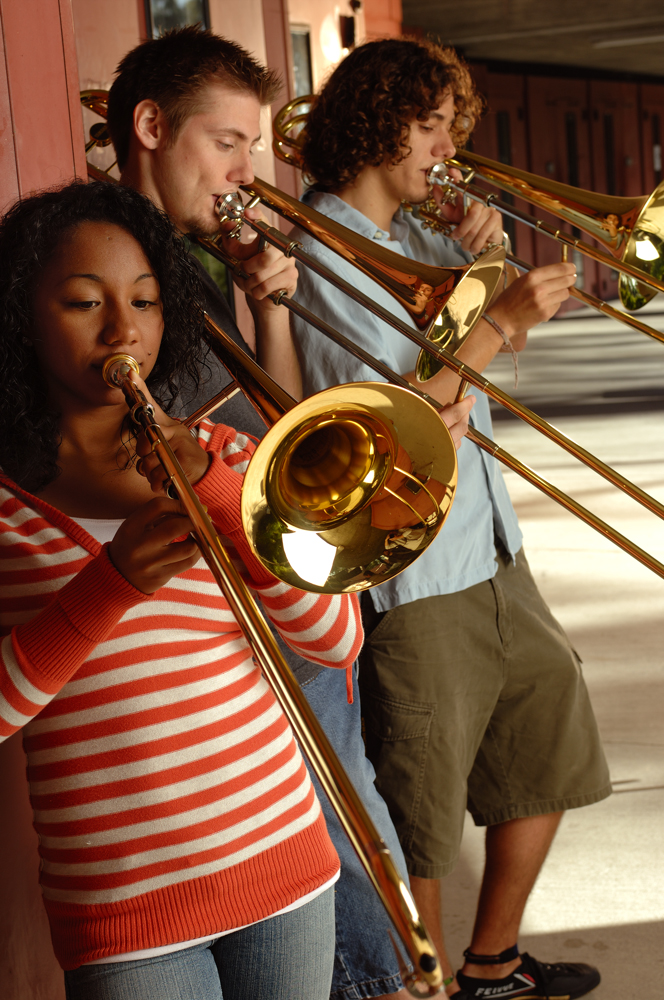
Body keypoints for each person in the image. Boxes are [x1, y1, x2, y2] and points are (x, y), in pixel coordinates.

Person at [104, 28, 473, 999]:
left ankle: (396, 976)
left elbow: (281, 427)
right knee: (333, 820)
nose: (245, 169)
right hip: (192, 625)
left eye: (254, 145)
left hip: (264, 579)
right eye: (227, 142)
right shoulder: (109, 270)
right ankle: (394, 980)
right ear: (150, 127)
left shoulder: (192, 258)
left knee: (339, 813)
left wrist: (267, 303)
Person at [290, 37, 611, 1000]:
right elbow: (379, 432)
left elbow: (470, 337)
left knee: (553, 732)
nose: (443, 146)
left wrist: (487, 255)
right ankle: (421, 986)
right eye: (427, 126)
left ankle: (491, 964)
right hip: (415, 571)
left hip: (489, 543)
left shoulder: (419, 239)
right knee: (420, 803)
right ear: (375, 125)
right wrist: (499, 323)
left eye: (447, 127)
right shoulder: (315, 251)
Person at [0, 180, 365, 1000]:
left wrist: (220, 492)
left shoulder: (227, 455)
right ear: (24, 317)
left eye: (146, 301)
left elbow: (334, 639)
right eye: (84, 302)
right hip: (125, 910)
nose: (125, 330)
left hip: (285, 862)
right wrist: (111, 585)